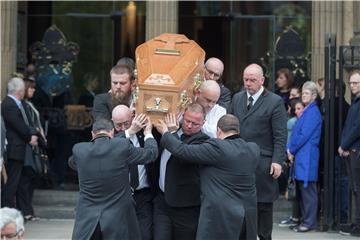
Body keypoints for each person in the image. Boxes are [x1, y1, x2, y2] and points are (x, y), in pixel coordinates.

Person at [155, 114, 260, 240]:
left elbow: (183, 151)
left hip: (221, 217)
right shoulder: (253, 149)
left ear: (219, 130)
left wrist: (167, 133)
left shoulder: (217, 147)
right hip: (247, 216)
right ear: (238, 130)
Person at [68, 118, 158, 240]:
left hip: (88, 220)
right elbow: (151, 154)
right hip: (117, 219)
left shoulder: (79, 150)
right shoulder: (121, 146)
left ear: (92, 134)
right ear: (112, 132)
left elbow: (72, 163)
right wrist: (148, 133)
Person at [230, 63, 287, 240]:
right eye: (246, 79)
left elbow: (280, 135)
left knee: (263, 215)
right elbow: (229, 129)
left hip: (263, 165)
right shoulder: (237, 98)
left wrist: (277, 160)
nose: (248, 83)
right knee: (240, 214)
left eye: (252, 80)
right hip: (239, 164)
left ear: (262, 80)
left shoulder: (274, 102)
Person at [153, 103, 209, 240]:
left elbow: (182, 154)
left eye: (195, 123)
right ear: (182, 116)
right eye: (187, 121)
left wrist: (171, 133)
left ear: (203, 123)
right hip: (162, 202)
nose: (189, 126)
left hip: (186, 208)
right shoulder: (169, 131)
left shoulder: (203, 141)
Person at [112, 105, 156, 240]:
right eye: (118, 125)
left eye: (126, 123)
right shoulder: (111, 138)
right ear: (112, 122)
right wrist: (129, 131)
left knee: (144, 235)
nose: (123, 127)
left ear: (133, 117)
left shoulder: (143, 134)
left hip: (144, 195)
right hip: (120, 196)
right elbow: (110, 147)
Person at [287, 81, 322, 232]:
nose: (303, 95)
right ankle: (304, 220)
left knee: (309, 190)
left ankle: (309, 223)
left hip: (306, 156)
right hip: (302, 155)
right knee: (303, 189)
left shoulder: (313, 112)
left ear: (314, 96)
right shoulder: (308, 110)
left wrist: (291, 150)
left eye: (307, 93)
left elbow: (303, 135)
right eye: (303, 93)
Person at [1, 77, 38, 209]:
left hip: (18, 149)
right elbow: (18, 125)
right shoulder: (9, 104)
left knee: (17, 182)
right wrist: (30, 137)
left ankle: (16, 209)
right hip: (13, 150)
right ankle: (7, 209)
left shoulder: (17, 103)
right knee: (12, 183)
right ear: (20, 91)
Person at [16, 77, 46, 221]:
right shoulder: (22, 105)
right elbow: (28, 125)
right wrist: (35, 134)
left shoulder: (28, 104)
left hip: (33, 145)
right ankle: (26, 211)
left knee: (29, 179)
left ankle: (28, 210)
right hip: (27, 146)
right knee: (25, 179)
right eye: (31, 88)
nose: (33, 90)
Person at [338, 70, 360, 237]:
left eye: (356, 83)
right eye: (351, 83)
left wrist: (344, 145)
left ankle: (358, 225)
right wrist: (343, 146)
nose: (352, 86)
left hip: (356, 150)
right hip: (351, 150)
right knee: (354, 189)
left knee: (357, 189)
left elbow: (357, 128)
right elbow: (348, 126)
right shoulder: (355, 101)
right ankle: (355, 223)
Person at [279, 98, 305, 228]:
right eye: (296, 109)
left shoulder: (295, 122)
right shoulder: (296, 121)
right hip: (291, 154)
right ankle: (295, 216)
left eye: (299, 109)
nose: (296, 112)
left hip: (293, 155)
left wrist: (289, 152)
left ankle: (296, 217)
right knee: (293, 187)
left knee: (295, 188)